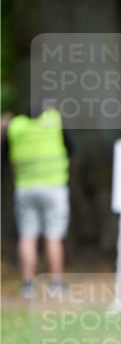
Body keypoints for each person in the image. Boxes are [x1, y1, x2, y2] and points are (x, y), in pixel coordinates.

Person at [3, 103, 71, 298]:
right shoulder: (54, 121)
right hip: (53, 187)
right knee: (53, 236)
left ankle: (27, 285)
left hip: (25, 188)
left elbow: (6, 155)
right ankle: (56, 284)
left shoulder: (16, 127)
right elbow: (70, 147)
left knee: (27, 236)